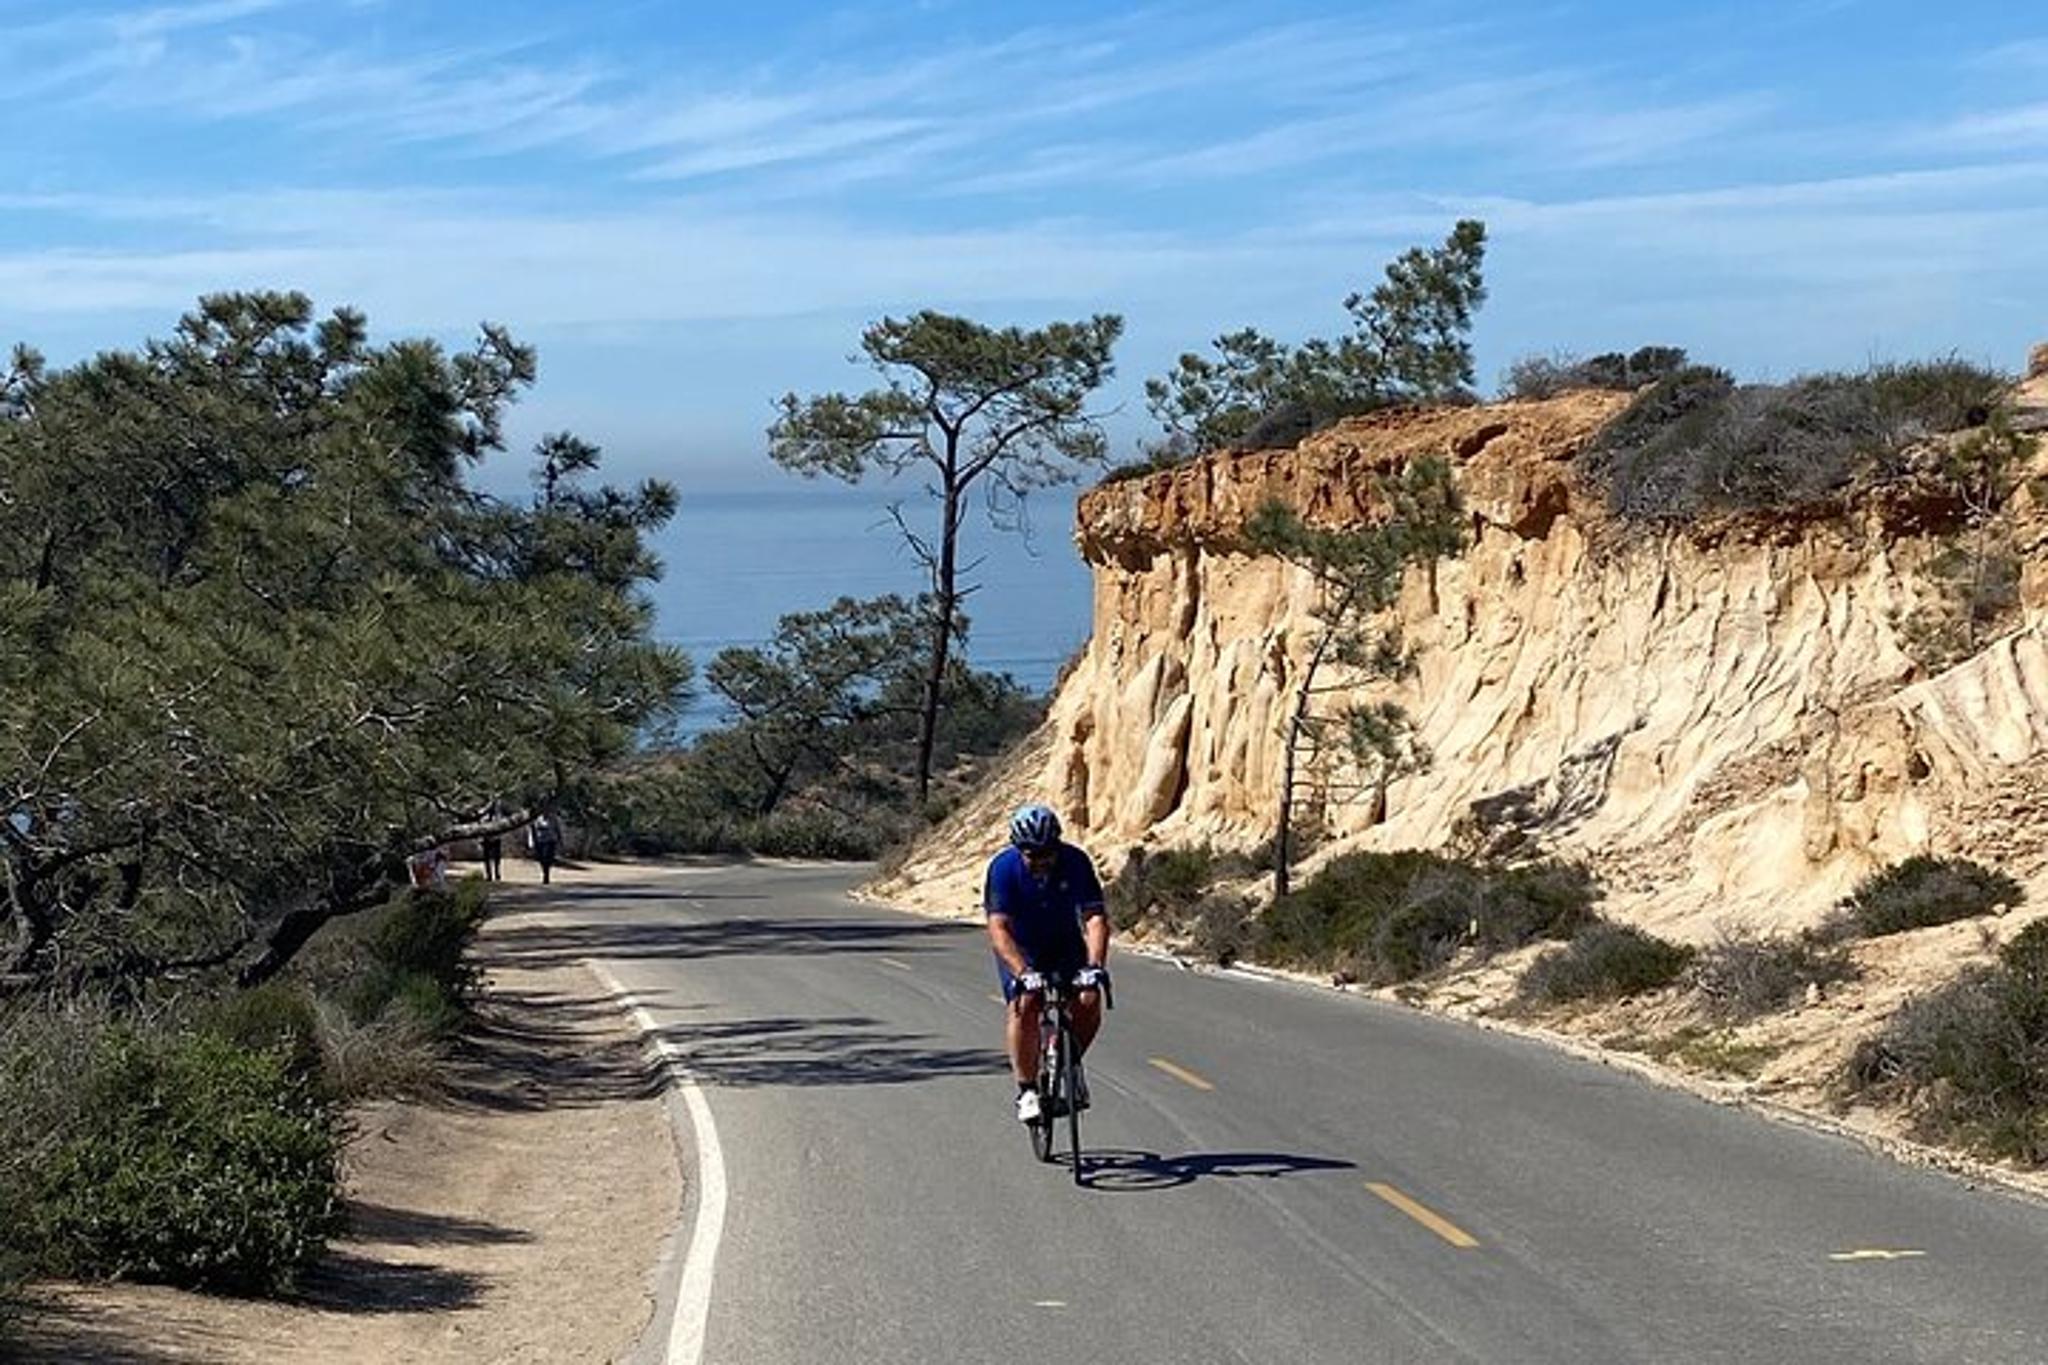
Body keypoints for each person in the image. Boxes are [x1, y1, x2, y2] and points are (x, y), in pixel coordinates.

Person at [984, 803, 1111, 1124]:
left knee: (1089, 998)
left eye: (1048, 853)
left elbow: (1094, 918)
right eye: (1033, 855)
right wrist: (1022, 972)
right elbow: (998, 928)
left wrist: (1094, 965)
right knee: (1026, 1003)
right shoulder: (1003, 869)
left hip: (1064, 944)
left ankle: (1068, 1060)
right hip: (1022, 949)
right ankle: (1026, 1089)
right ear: (1019, 849)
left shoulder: (1076, 862)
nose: (1042, 861)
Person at [528, 812, 560, 885]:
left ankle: (546, 874)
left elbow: (558, 830)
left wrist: (559, 840)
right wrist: (531, 842)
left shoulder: (553, 819)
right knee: (541, 859)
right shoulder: (537, 820)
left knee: (547, 857)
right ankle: (545, 871)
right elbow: (532, 831)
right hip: (540, 841)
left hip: (550, 841)